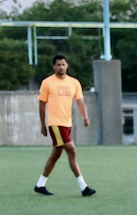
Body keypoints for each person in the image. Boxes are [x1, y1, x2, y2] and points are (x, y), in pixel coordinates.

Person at [33, 54, 96, 197]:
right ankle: (84, 187)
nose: (61, 67)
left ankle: (40, 184)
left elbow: (80, 102)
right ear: (53, 67)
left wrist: (85, 117)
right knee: (72, 151)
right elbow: (42, 105)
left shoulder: (74, 83)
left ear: (67, 65)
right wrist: (43, 125)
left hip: (67, 124)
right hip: (56, 124)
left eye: (63, 64)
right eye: (58, 65)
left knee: (56, 154)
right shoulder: (47, 83)